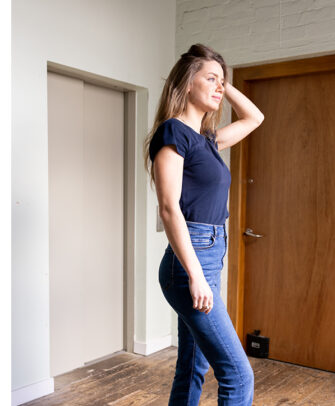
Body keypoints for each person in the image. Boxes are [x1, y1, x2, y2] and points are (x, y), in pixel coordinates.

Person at [143, 43, 264, 405]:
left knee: (193, 365)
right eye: (210, 79)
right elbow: (169, 209)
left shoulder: (206, 140)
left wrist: (224, 84)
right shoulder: (173, 133)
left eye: (220, 82)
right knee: (238, 375)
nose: (218, 87)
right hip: (191, 262)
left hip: (208, 255)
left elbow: (254, 118)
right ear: (186, 82)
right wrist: (195, 275)